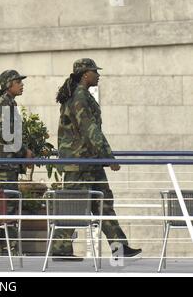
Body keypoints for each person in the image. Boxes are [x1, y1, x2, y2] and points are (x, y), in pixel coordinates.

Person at [53, 58, 142, 261]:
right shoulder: (79, 97)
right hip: (79, 162)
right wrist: (109, 156)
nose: (98, 75)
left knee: (103, 203)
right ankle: (59, 248)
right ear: (85, 74)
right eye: (95, 71)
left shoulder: (81, 95)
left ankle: (119, 248)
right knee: (74, 205)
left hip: (89, 160)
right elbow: (90, 130)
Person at [0, 70, 33, 255]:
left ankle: (8, 248)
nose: (21, 84)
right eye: (18, 81)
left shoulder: (9, 103)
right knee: (7, 204)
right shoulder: (4, 103)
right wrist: (24, 152)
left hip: (7, 162)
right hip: (3, 163)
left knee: (9, 203)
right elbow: (7, 135)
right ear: (9, 84)